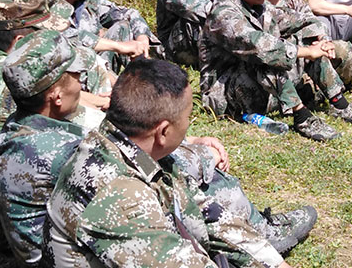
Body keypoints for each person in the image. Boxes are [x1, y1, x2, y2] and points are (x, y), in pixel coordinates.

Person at [43, 59, 296, 268]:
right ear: (163, 132)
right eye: (188, 117)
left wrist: (273, 263)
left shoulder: (134, 146)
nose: (189, 125)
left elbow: (208, 215)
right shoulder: (118, 193)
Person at [200, 0, 352, 142]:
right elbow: (259, 46)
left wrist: (321, 39)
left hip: (258, 90)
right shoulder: (223, 13)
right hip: (226, 96)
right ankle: (302, 117)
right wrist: (307, 52)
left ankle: (340, 104)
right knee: (267, 57)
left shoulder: (260, 7)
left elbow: (302, 20)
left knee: (308, 43)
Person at [0, 30, 95, 266]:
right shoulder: (61, 151)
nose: (80, 84)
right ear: (57, 97)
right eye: (77, 76)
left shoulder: (18, 123)